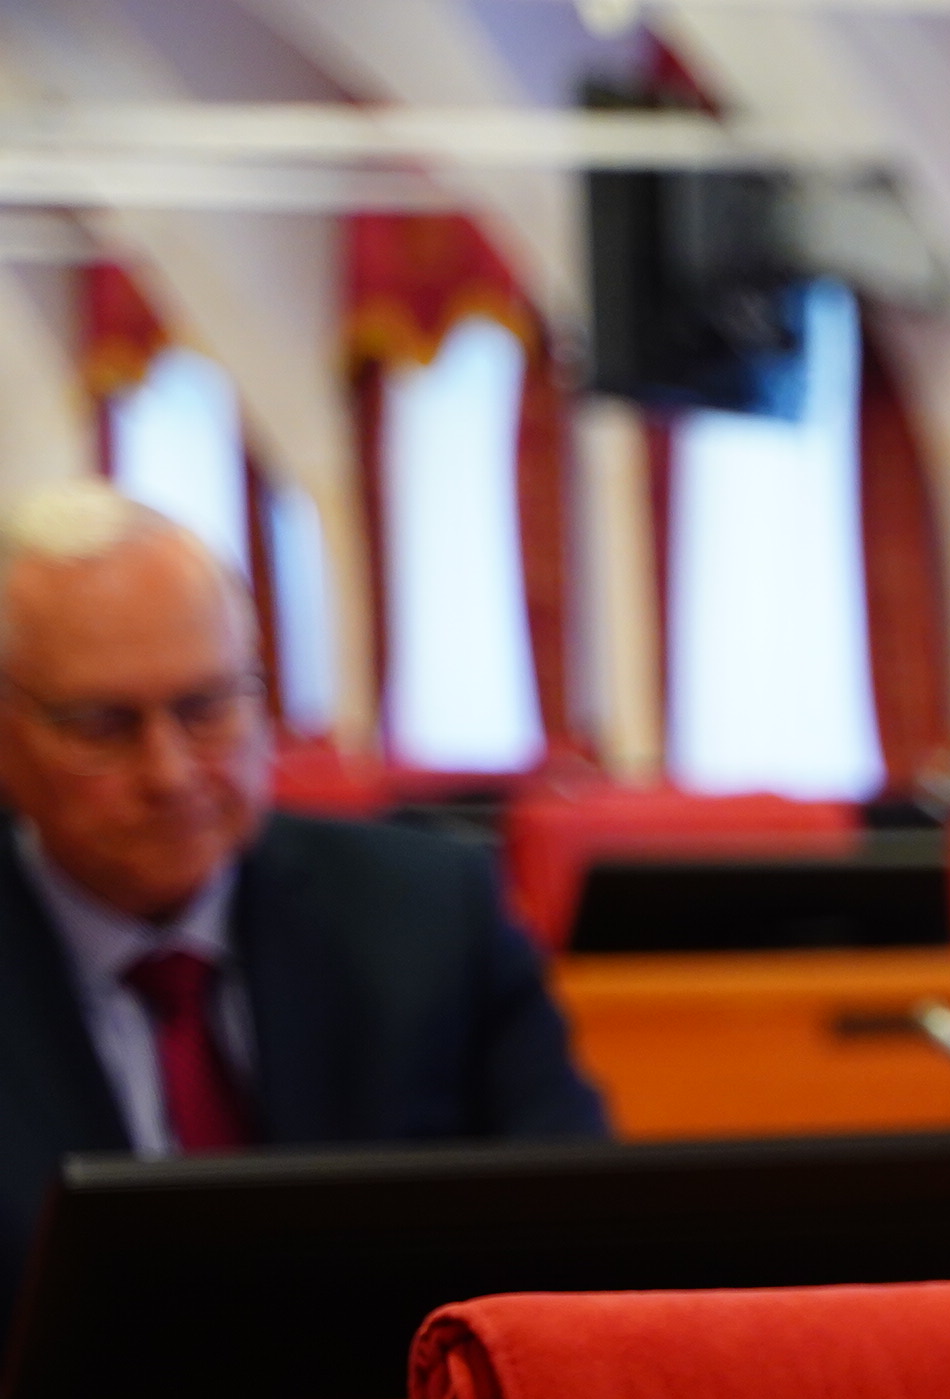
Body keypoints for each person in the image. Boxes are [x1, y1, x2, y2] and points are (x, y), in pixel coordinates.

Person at [0, 484, 604, 1312]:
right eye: (103, 726)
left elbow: (579, 1241)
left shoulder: (429, 913)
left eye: (206, 709)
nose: (169, 774)